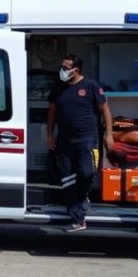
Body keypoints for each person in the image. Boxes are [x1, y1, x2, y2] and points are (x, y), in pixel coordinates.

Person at [47, 54, 114, 232]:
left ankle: (83, 197)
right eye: (61, 67)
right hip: (64, 140)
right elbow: (52, 113)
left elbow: (105, 111)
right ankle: (77, 219)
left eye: (65, 68)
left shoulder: (91, 86)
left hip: (87, 139)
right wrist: (50, 135)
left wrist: (109, 134)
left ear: (76, 70)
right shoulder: (58, 88)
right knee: (68, 180)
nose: (62, 70)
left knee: (86, 173)